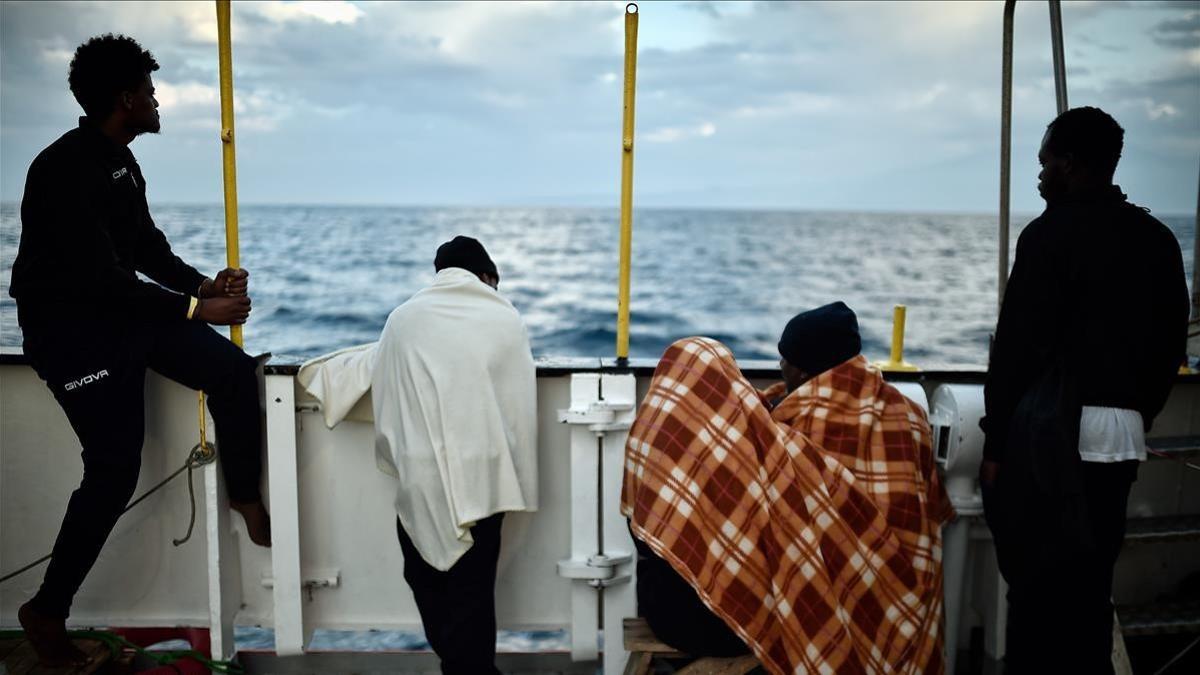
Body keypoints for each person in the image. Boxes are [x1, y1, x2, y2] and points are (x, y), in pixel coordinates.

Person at [9, 34, 271, 667]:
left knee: (233, 374)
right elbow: (98, 279)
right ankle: (45, 611)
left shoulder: (121, 161)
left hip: (123, 315)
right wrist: (194, 310)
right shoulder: (63, 168)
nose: (158, 102)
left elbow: (146, 248)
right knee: (114, 469)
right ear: (126, 99)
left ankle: (243, 494)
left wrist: (200, 284)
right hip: (73, 335)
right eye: (150, 92)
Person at [622, 302, 952, 674]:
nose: (780, 367)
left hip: (818, 597)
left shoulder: (788, 428)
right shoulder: (909, 414)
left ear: (805, 367)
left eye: (786, 359)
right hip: (908, 598)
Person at [980, 107, 1189, 674]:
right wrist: (1138, 412)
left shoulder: (1048, 236)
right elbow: (1172, 344)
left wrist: (995, 444)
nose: (1041, 175)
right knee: (1091, 587)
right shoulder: (1157, 238)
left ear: (1070, 165)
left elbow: (1017, 352)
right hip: (1119, 435)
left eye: (1046, 163)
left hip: (1050, 438)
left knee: (1034, 587)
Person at [372, 236, 538, 675]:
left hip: (421, 477)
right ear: (486, 276)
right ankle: (471, 670)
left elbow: (386, 396)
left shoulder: (402, 319)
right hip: (484, 479)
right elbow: (518, 405)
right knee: (473, 593)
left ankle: (464, 668)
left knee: (427, 582)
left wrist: (399, 455)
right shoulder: (505, 318)